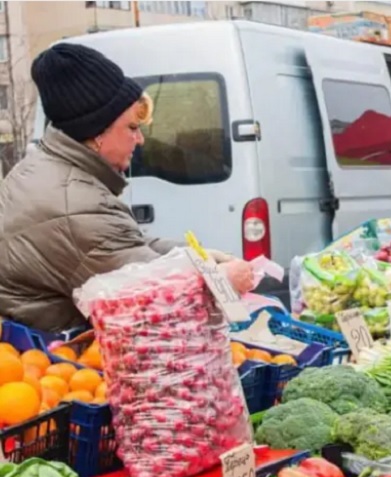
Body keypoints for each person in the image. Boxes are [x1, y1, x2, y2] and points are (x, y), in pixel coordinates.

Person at [0, 43, 253, 333]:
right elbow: (155, 295)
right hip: (55, 361)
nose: (141, 140)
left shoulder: (41, 167)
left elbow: (127, 243)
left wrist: (199, 257)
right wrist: (220, 281)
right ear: (96, 132)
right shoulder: (75, 206)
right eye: (132, 128)